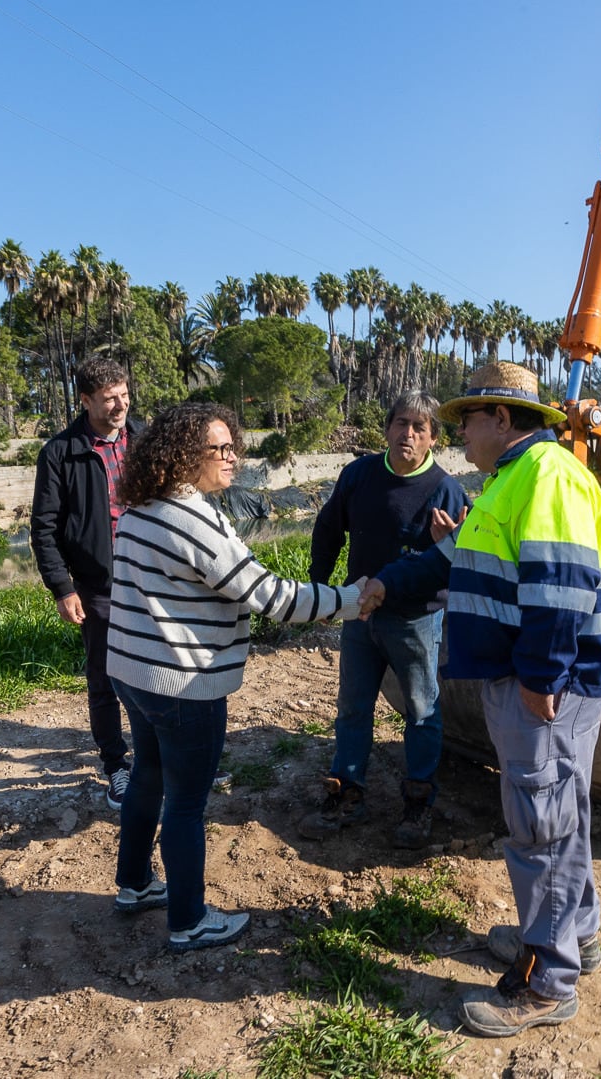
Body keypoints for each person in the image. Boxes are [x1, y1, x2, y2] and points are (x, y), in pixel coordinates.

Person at [361, 360, 601, 1037]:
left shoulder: (547, 475)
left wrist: (540, 681)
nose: (459, 435)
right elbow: (459, 562)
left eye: (466, 420)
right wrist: (387, 582)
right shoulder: (508, 480)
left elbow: (559, 589)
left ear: (503, 418)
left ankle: (548, 980)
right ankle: (576, 937)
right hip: (528, 681)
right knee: (561, 810)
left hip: (541, 688)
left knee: (540, 826)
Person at [107, 402, 363, 952]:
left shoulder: (138, 509)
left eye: (233, 447)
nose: (232, 458)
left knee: (148, 777)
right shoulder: (190, 518)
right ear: (182, 454)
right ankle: (189, 920)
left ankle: (132, 885)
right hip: (183, 684)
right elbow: (269, 595)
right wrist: (350, 599)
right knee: (186, 803)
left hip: (133, 672)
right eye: (219, 449)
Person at [298, 391, 467, 850]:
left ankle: (418, 802)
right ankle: (347, 794)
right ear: (387, 428)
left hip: (415, 620)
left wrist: (443, 544)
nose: (407, 434)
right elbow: (329, 528)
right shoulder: (359, 475)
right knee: (353, 707)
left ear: (434, 438)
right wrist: (318, 583)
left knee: (420, 711)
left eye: (419, 427)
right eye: (400, 424)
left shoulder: (445, 491)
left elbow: (453, 559)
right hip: (358, 615)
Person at [30, 357, 142, 811]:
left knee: (161, 668)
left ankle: (158, 755)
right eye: (110, 398)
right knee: (105, 677)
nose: (120, 404)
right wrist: (63, 587)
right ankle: (116, 765)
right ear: (86, 400)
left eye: (124, 394)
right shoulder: (60, 452)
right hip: (100, 586)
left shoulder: (144, 439)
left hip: (153, 576)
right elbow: (44, 528)